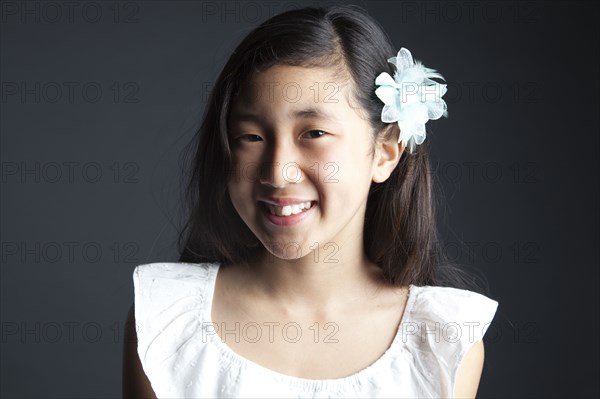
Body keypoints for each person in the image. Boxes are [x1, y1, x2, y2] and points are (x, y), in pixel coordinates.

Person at [123, 5, 498, 398]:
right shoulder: (167, 320)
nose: (278, 172)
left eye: (314, 133)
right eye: (251, 137)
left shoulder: (441, 343)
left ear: (385, 151)